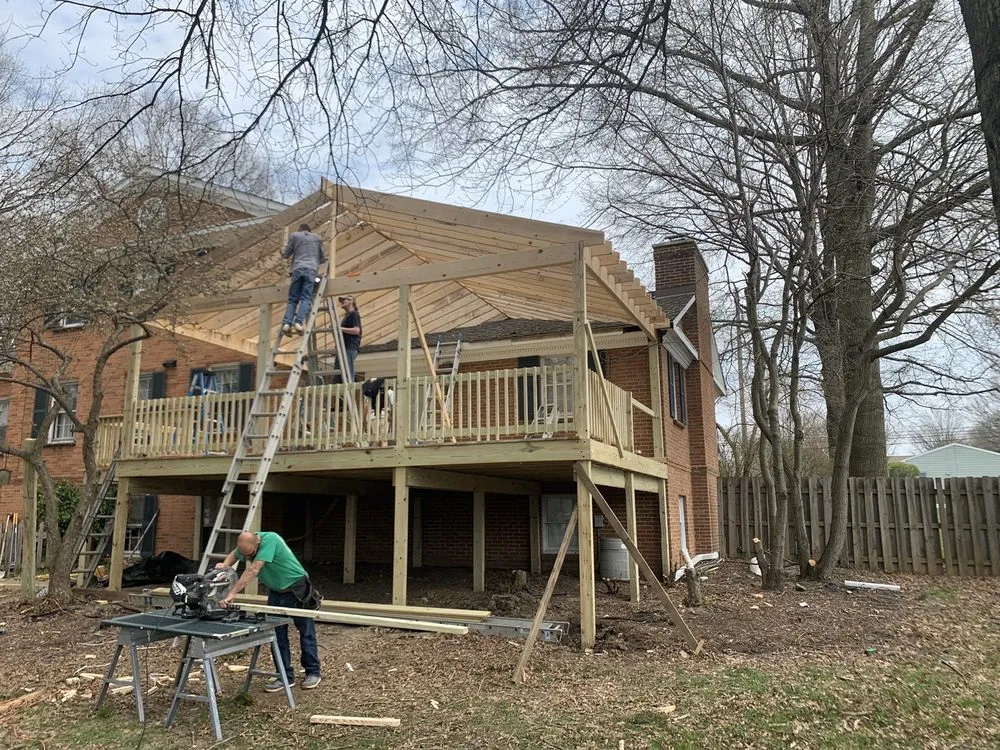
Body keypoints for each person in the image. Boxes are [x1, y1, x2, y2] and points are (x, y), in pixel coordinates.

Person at [217, 531, 323, 691]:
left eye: (251, 554)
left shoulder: (271, 540)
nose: (248, 557)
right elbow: (234, 554)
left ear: (257, 543)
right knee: (277, 634)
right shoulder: (246, 544)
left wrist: (232, 593)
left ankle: (313, 672)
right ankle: (284, 676)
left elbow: (253, 570)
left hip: (297, 588)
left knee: (306, 631)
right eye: (246, 555)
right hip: (276, 592)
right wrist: (225, 566)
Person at [281, 223, 326, 335]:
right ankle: (298, 322)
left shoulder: (294, 236)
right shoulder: (317, 238)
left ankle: (287, 324)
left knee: (293, 299)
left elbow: (286, 254)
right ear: (309, 230)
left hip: (297, 268)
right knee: (306, 298)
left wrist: (282, 252)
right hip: (311, 270)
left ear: (300, 229)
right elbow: (322, 258)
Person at [338, 295, 362, 381]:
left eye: (344, 300)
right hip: (344, 347)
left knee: (348, 372)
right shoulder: (347, 315)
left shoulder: (354, 314)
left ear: (351, 301)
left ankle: (349, 387)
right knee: (341, 373)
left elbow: (356, 330)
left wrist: (340, 328)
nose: (342, 302)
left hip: (350, 346)